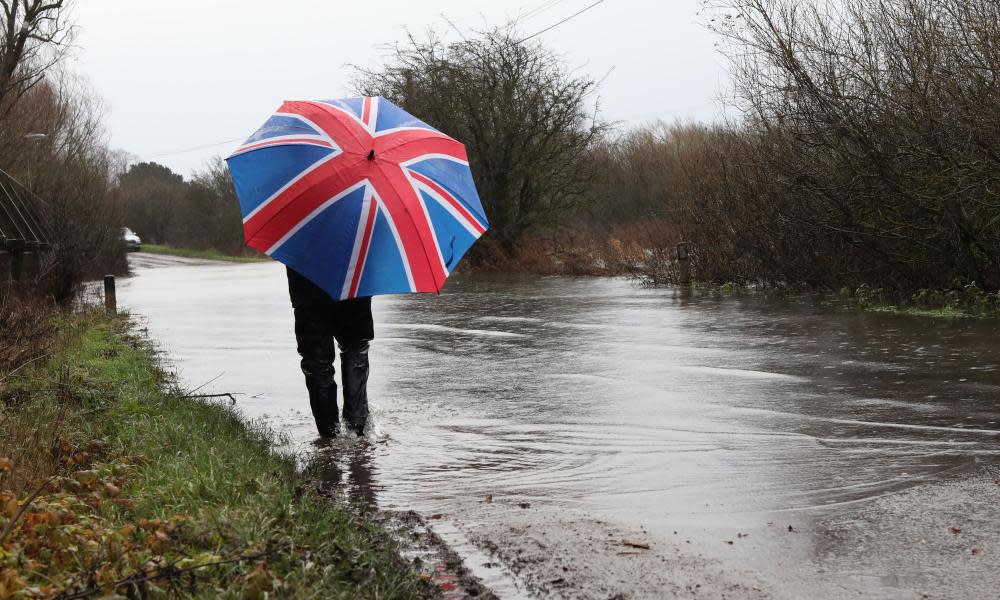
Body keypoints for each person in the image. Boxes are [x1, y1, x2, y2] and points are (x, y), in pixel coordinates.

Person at [286, 267, 372, 437]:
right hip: (354, 272)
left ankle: (329, 437)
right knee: (355, 347)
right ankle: (356, 430)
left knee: (317, 359)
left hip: (306, 276)